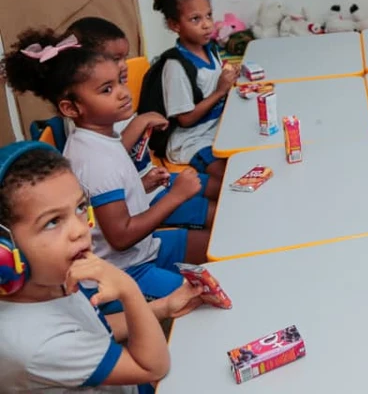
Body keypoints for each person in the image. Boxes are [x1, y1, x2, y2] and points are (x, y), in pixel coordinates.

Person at [3, 29, 212, 305]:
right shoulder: (93, 159)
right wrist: (176, 196)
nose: (123, 94)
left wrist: (141, 184)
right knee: (204, 299)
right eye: (107, 90)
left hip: (146, 249)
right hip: (126, 271)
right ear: (71, 108)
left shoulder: (102, 138)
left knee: (217, 242)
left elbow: (110, 193)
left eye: (118, 82)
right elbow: (121, 236)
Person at [0, 142, 204, 393]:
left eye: (80, 208)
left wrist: (163, 307)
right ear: (4, 251)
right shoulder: (36, 343)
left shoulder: (52, 281)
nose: (80, 229)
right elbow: (152, 367)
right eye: (52, 222)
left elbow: (95, 329)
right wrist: (129, 290)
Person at [69, 18, 221, 223]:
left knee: (222, 188)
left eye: (124, 57)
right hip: (143, 202)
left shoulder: (111, 100)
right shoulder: (87, 115)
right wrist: (139, 122)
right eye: (115, 59)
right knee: (221, 214)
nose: (123, 66)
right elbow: (109, 158)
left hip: (149, 181)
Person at [151, 0, 233, 180]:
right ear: (175, 25)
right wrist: (221, 91)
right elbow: (185, 119)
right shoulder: (176, 67)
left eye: (208, 16)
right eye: (195, 19)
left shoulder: (210, 49)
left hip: (216, 128)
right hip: (191, 141)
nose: (206, 25)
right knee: (229, 175)